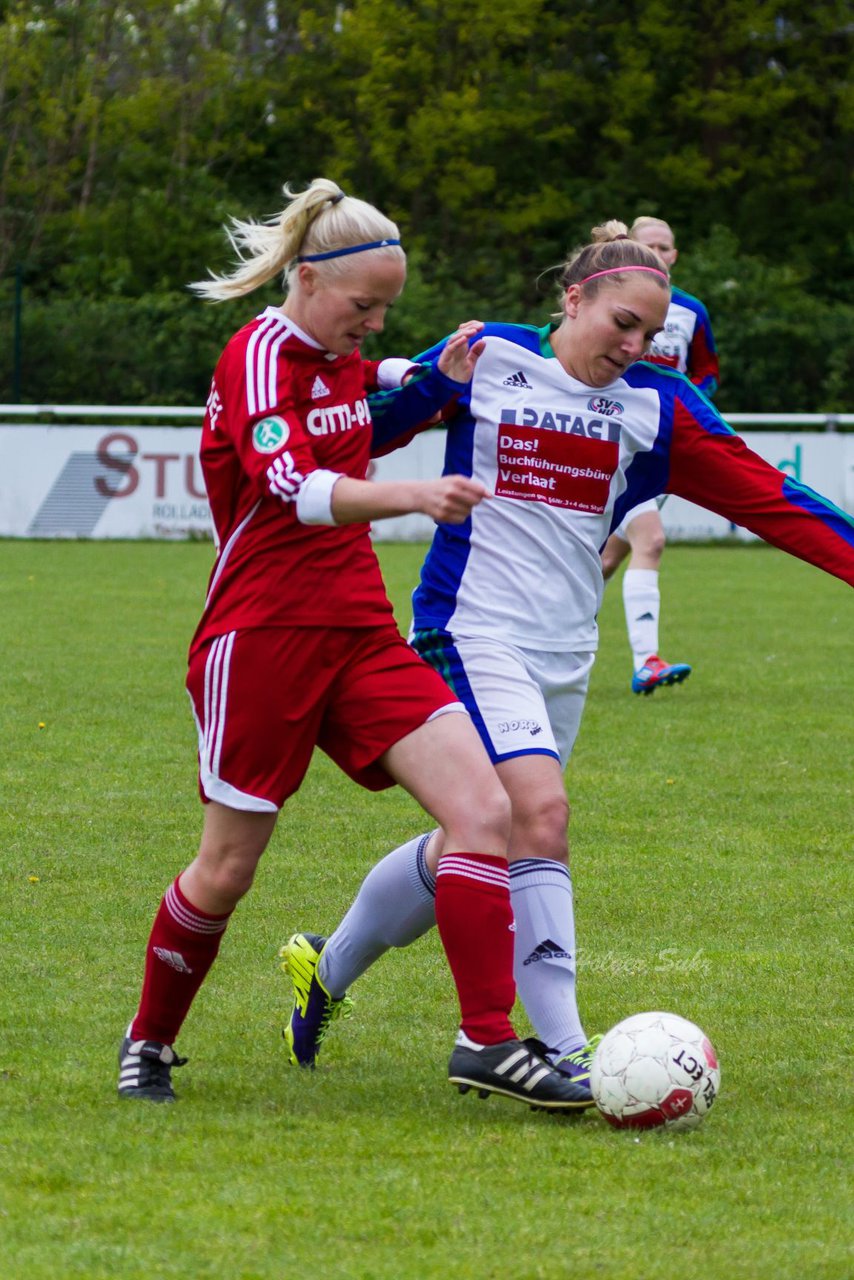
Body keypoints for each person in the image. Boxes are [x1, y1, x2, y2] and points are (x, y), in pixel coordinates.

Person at [280, 219, 854, 1105]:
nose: (634, 346)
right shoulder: (491, 354)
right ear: (572, 299)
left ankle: (330, 965)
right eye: (620, 324)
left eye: (651, 336)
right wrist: (428, 380)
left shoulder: (660, 406)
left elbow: (776, 500)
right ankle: (564, 1049)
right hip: (468, 629)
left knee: (485, 834)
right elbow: (369, 429)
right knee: (538, 815)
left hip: (566, 650)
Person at [117, 177, 590, 1113]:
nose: (370, 325)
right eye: (362, 304)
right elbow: (292, 482)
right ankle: (150, 1042)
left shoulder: (344, 361)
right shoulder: (259, 354)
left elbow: (381, 419)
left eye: (385, 310)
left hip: (360, 633)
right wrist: (413, 494)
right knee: (228, 868)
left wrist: (443, 383)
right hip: (261, 639)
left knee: (483, 810)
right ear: (306, 276)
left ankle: (488, 1042)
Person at [600, 215, 720, 694]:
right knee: (649, 540)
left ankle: (541, 638)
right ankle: (646, 660)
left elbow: (707, 371)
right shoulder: (605, 298)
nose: (660, 253)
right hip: (615, 437)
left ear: (674, 256)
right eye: (649, 244)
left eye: (666, 247)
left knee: (605, 558)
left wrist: (692, 400)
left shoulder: (691, 310)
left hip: (661, 443)